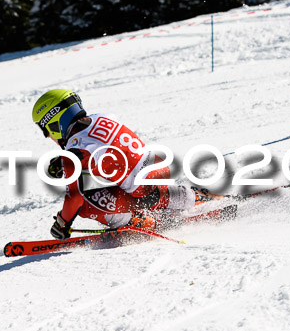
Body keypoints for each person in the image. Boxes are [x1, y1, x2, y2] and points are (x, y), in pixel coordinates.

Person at [31, 89, 196, 240]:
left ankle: (135, 222)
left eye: (45, 130)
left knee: (86, 204)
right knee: (103, 174)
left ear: (53, 123)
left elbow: (74, 199)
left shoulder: (75, 150)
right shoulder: (102, 117)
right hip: (159, 167)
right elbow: (101, 145)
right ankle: (183, 197)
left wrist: (62, 223)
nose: (47, 136)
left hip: (145, 191)